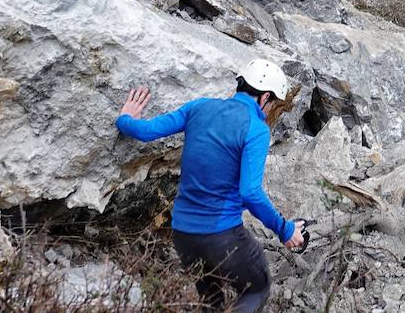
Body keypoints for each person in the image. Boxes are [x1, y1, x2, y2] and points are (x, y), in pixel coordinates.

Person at [115, 59, 305, 312]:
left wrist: (125, 119)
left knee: (211, 302)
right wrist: (285, 230)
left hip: (182, 233)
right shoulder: (256, 129)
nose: (271, 111)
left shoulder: (199, 107)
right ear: (265, 97)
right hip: (220, 235)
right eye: (273, 105)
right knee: (256, 288)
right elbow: (250, 192)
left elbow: (145, 131)